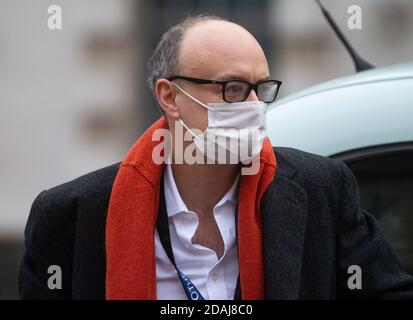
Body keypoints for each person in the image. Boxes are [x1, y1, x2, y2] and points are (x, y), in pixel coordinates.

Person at [19, 15, 413, 300]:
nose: (255, 106)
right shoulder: (71, 215)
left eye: (262, 88)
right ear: (170, 97)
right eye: (234, 89)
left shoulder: (321, 189)